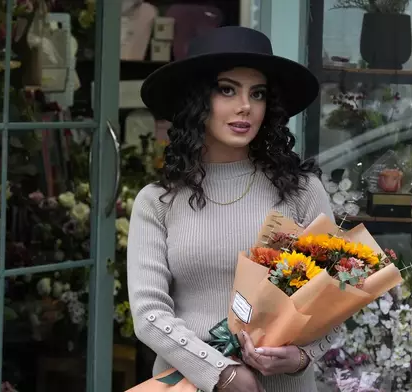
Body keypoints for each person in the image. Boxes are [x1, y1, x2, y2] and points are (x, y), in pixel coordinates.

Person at [127, 26, 338, 392]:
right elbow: (148, 315)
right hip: (187, 385)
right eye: (227, 90)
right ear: (196, 101)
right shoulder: (157, 201)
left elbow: (335, 299)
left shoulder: (302, 192)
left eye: (257, 94)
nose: (245, 106)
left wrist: (302, 356)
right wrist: (221, 372)